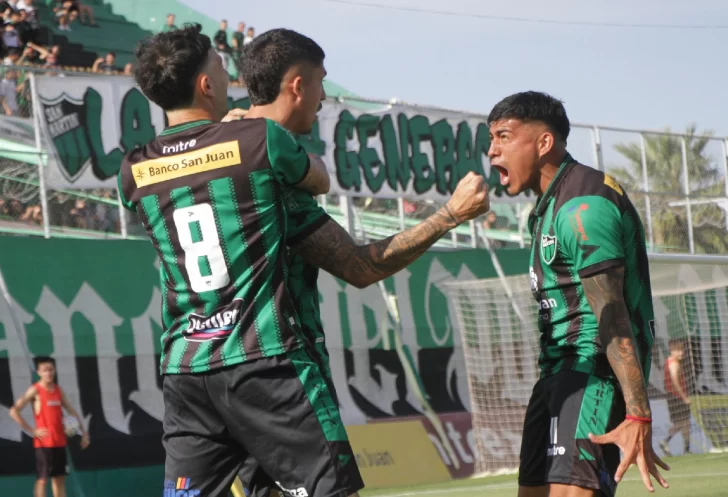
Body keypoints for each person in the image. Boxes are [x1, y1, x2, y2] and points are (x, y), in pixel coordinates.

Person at [119, 24, 489, 497]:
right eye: (221, 68)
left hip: (186, 369)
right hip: (265, 362)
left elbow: (191, 171)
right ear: (206, 85)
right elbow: (333, 209)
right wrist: (450, 215)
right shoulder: (258, 144)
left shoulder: (134, 169)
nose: (229, 77)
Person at [486, 91, 669, 497]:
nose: (492, 151)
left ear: (544, 142)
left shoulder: (583, 206)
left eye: (503, 137)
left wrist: (639, 414)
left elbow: (613, 315)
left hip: (590, 376)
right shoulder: (548, 207)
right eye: (491, 139)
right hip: (556, 376)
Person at [9, 356, 90, 497]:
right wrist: (32, 430)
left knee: (59, 479)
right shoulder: (35, 390)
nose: (48, 373)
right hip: (44, 443)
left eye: (51, 369)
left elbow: (71, 411)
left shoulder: (58, 390)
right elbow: (13, 411)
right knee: (42, 480)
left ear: (55, 370)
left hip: (59, 441)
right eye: (45, 370)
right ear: (39, 372)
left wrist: (84, 433)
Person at [660, 339, 691, 456]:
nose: (681, 353)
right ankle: (665, 441)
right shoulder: (674, 363)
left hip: (673, 396)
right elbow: (674, 381)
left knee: (685, 423)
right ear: (671, 350)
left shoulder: (670, 361)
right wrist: (684, 397)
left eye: (682, 350)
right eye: (678, 350)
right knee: (683, 423)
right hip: (676, 397)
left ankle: (686, 449)